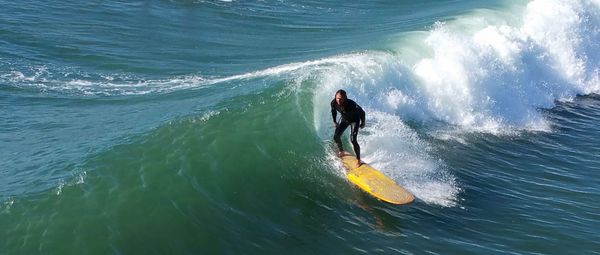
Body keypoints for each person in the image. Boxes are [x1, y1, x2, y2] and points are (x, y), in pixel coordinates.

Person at [331, 89, 366, 167]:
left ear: (345, 98)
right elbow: (334, 111)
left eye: (341, 99)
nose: (339, 100)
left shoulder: (352, 104)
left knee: (353, 140)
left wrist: (363, 122)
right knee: (336, 137)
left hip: (354, 120)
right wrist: (334, 121)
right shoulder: (333, 103)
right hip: (345, 119)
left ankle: (358, 160)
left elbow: (362, 112)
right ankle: (341, 151)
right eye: (337, 98)